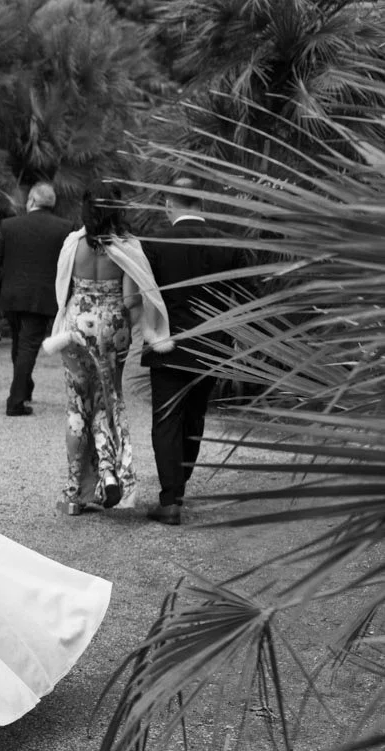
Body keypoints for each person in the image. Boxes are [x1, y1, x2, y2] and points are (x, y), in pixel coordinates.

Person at [40, 180, 171, 514]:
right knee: (108, 399)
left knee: (76, 406)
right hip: (112, 330)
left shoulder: (74, 244)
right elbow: (131, 299)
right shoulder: (126, 246)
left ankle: (74, 493)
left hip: (75, 329)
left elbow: (63, 289)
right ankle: (111, 474)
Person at [139, 178, 244, 525]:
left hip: (167, 345)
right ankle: (177, 488)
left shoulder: (153, 244)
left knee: (166, 421)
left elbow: (144, 295)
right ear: (201, 203)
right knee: (194, 419)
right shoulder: (227, 244)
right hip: (212, 347)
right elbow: (246, 297)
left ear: (169, 204)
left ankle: (171, 498)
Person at [0, 181, 78, 416]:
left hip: (11, 296)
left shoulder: (9, 225)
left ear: (32, 201)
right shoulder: (65, 228)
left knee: (21, 343)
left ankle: (20, 393)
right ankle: (18, 396)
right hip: (43, 297)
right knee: (25, 345)